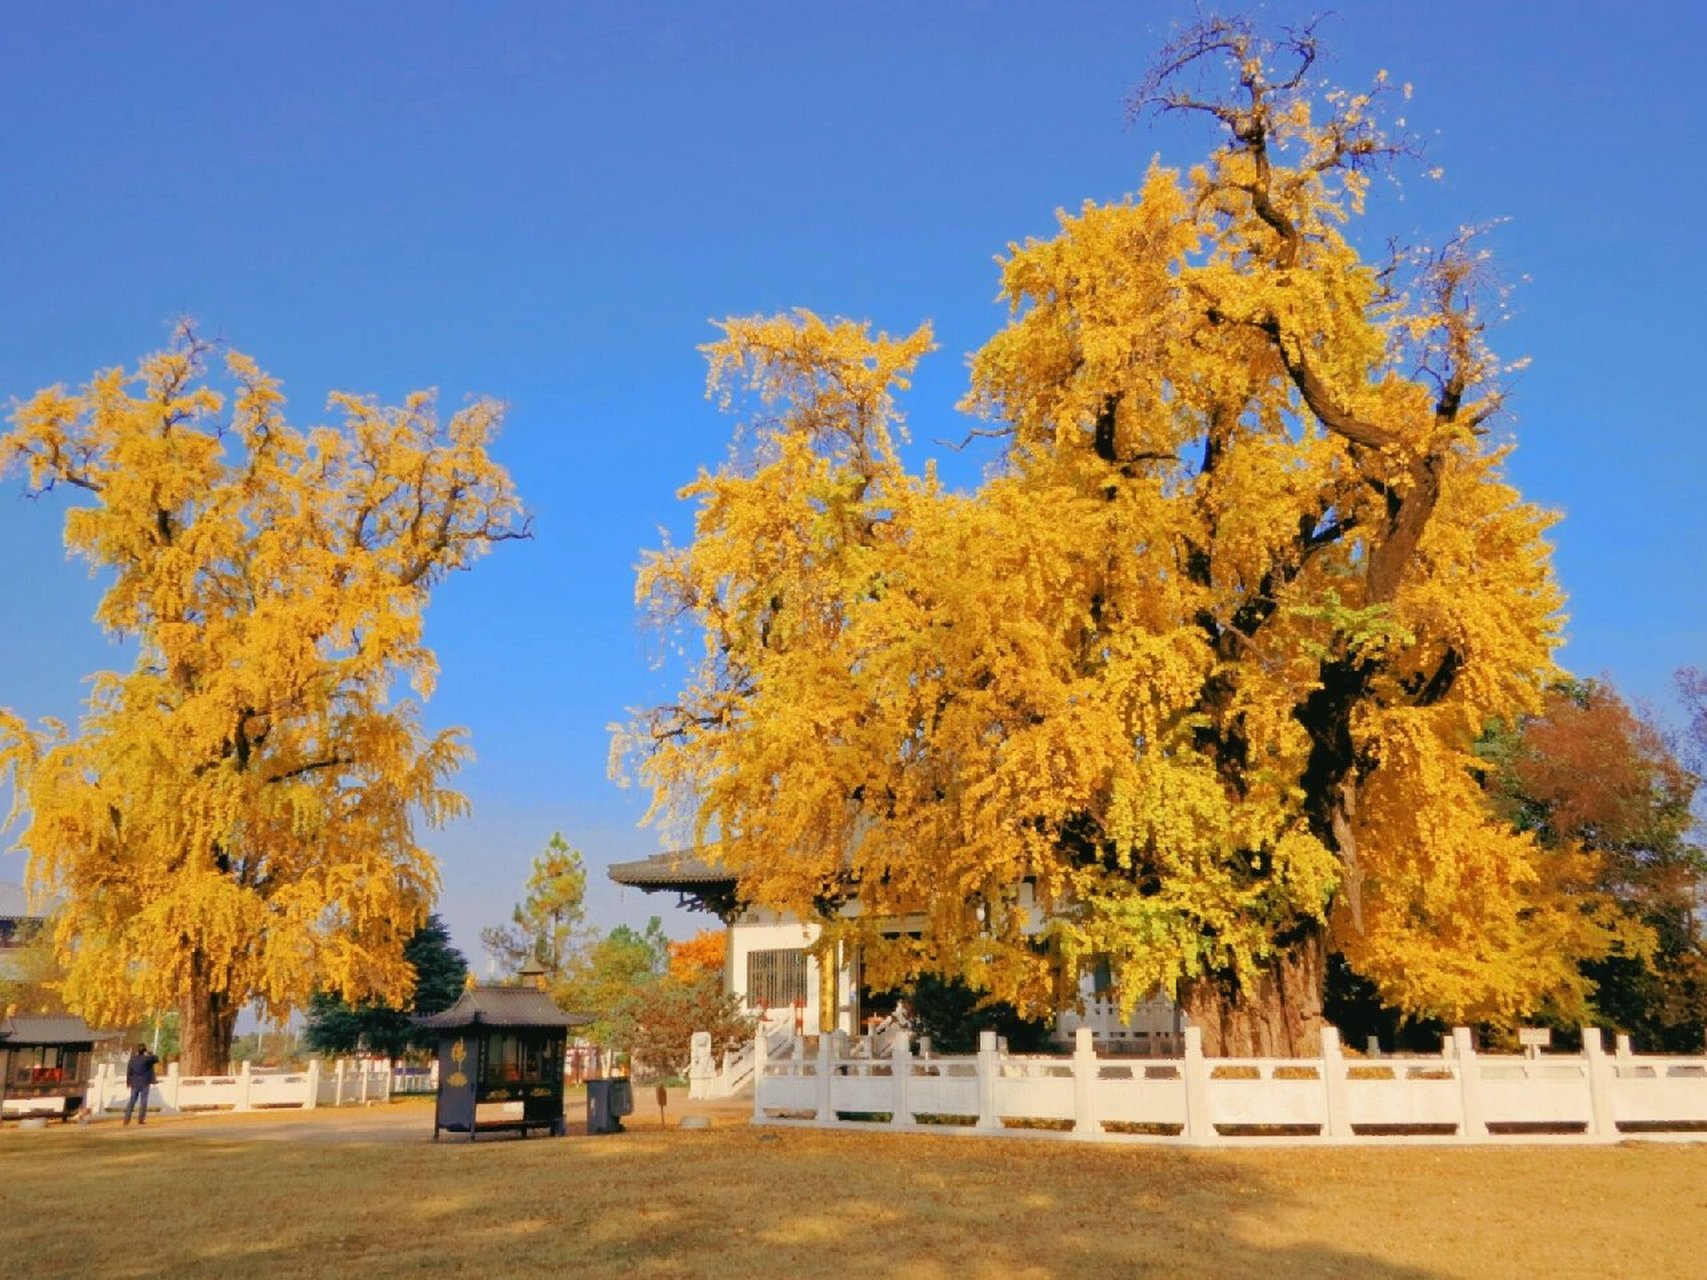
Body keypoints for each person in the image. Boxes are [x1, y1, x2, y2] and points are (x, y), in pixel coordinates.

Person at [124, 1042, 159, 1126]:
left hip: (134, 1083)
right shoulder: (147, 1059)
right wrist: (150, 1053)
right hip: (144, 1082)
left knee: (132, 1101)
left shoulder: (132, 1059)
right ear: (144, 1050)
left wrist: (128, 1082)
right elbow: (156, 1059)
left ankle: (126, 1119)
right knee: (143, 1101)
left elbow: (129, 1071)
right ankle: (141, 1119)